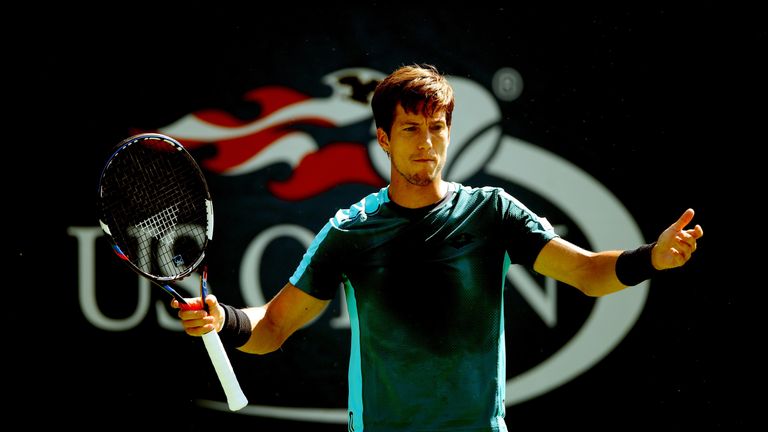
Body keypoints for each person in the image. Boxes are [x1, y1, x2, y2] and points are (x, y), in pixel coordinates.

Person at [173, 63, 703, 431]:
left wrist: (651, 258)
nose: (426, 143)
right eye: (410, 129)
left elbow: (588, 274)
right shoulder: (349, 230)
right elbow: (272, 328)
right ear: (383, 138)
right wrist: (224, 320)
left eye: (436, 127)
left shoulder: (492, 211)